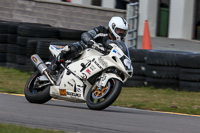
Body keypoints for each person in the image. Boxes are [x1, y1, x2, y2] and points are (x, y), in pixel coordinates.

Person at [48, 16, 128, 74]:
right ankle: (55, 64)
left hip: (99, 59)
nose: (121, 33)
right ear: (112, 27)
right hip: (86, 50)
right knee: (74, 49)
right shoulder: (101, 30)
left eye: (123, 31)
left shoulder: (119, 44)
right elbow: (86, 35)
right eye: (119, 30)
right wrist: (91, 42)